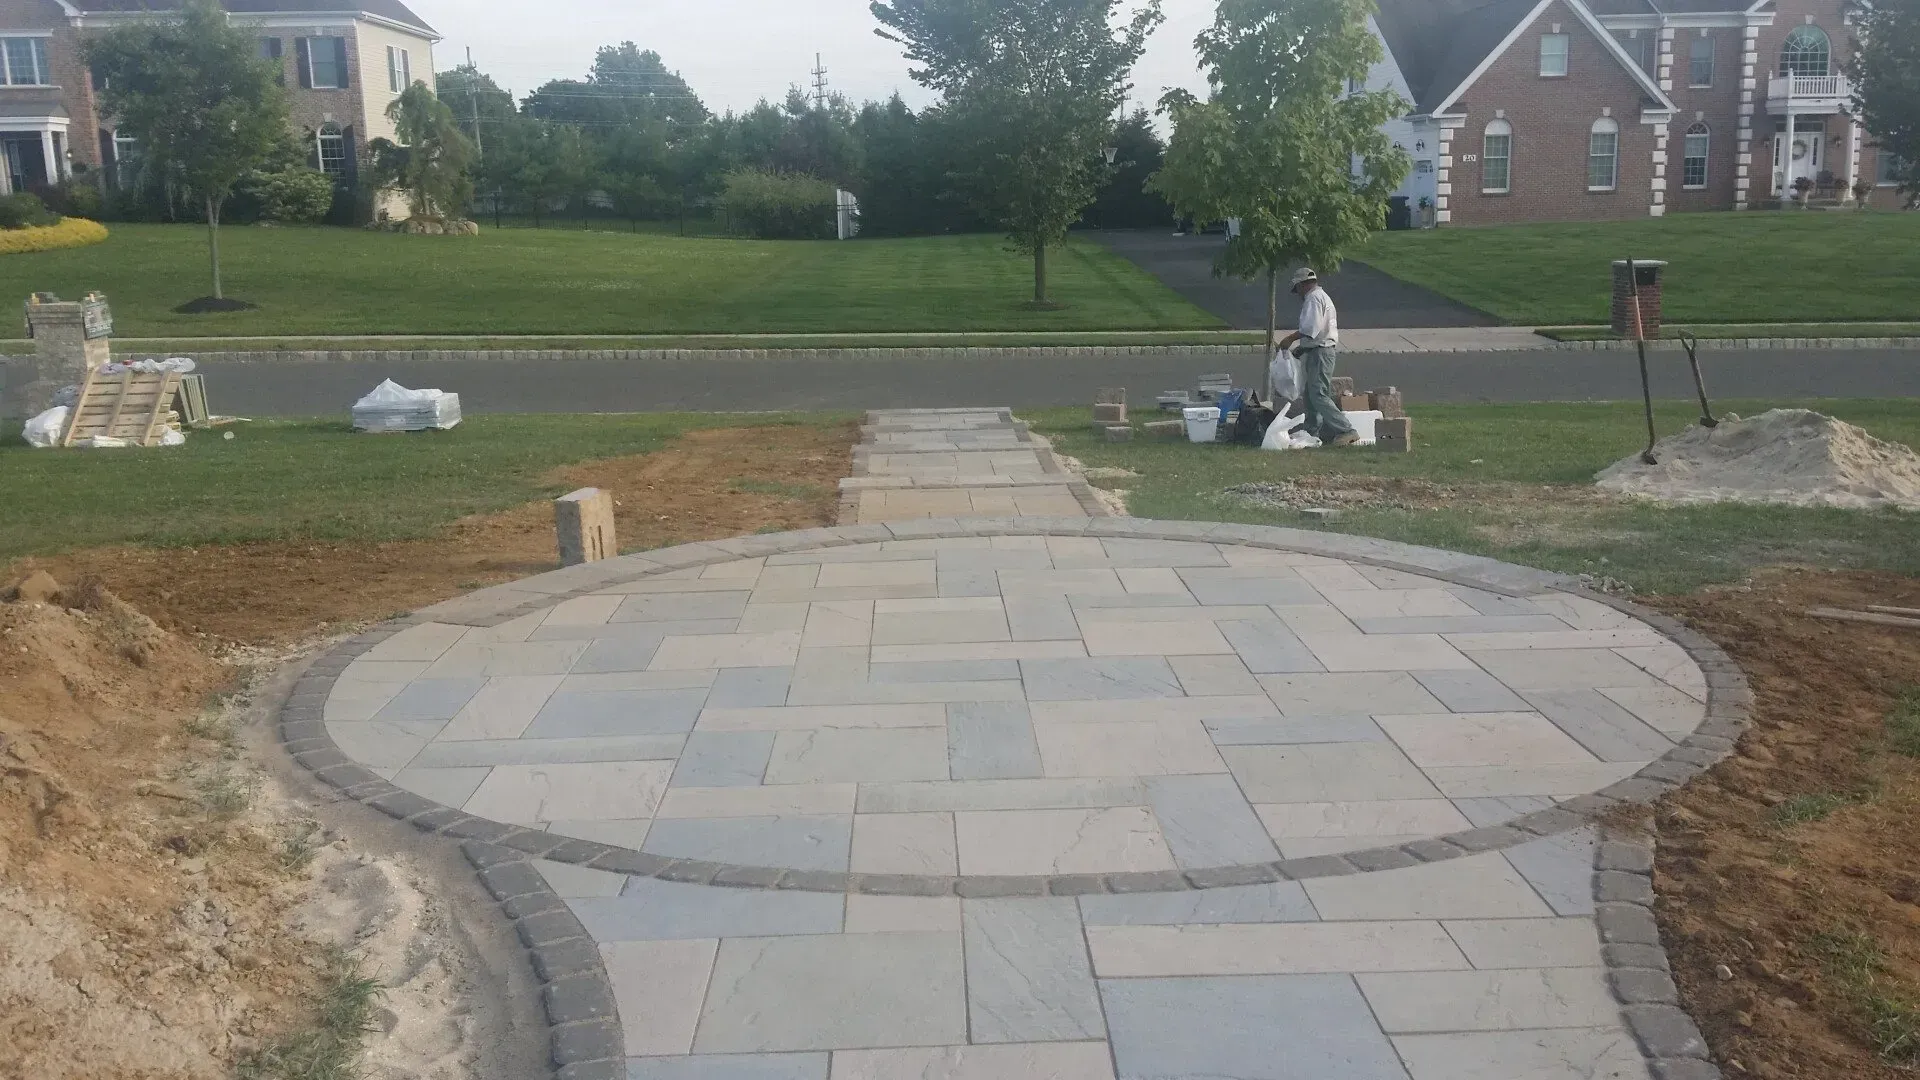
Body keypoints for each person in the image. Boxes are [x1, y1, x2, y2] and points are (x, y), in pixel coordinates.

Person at [1276, 268, 1359, 447]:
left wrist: (1290, 339)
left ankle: (1346, 430)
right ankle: (1311, 431)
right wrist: (1302, 348)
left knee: (1318, 394)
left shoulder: (1313, 298)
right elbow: (1317, 332)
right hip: (1317, 350)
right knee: (1310, 395)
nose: (1297, 293)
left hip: (1321, 352)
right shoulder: (1320, 297)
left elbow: (1310, 328)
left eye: (1297, 288)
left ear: (1302, 284)